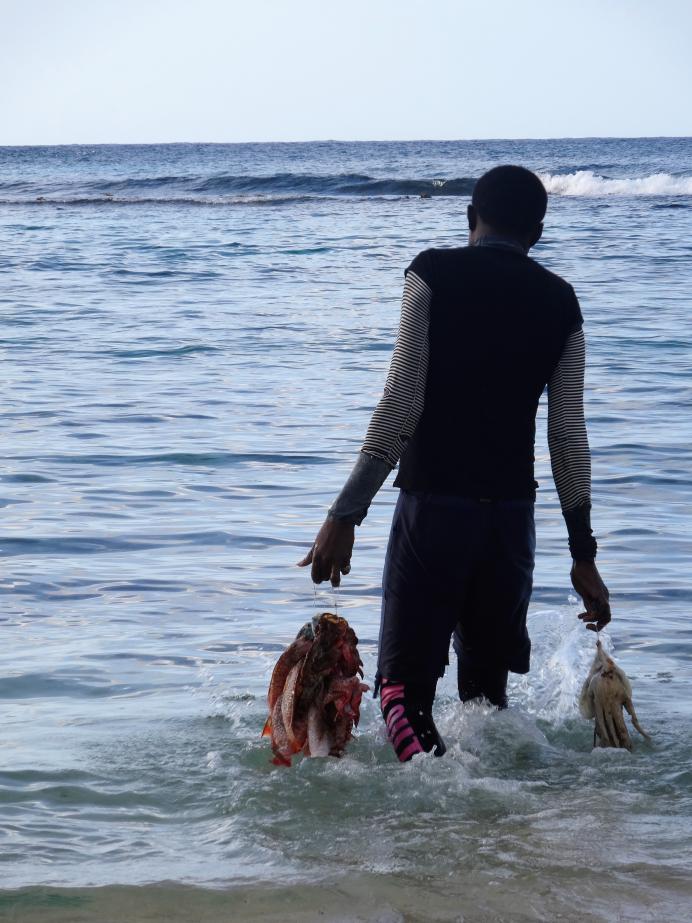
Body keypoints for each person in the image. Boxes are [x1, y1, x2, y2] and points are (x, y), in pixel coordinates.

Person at [298, 165, 611, 762]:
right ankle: (494, 814)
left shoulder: (431, 274)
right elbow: (568, 436)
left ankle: (443, 801)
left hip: (434, 516)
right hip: (510, 527)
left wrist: (345, 513)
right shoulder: (561, 301)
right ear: (537, 233)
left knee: (400, 697)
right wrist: (583, 554)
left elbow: (401, 401)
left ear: (471, 218)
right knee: (486, 705)